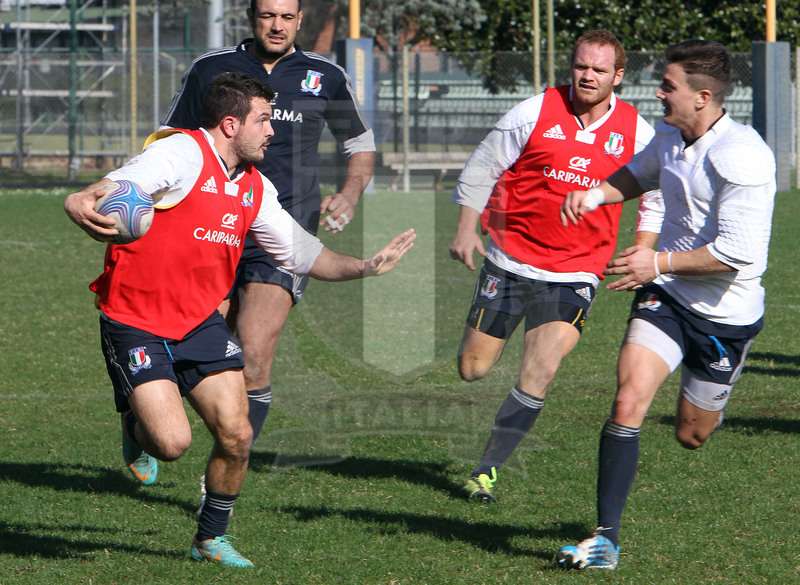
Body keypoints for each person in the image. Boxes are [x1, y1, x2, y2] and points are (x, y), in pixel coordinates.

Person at [64, 72, 414, 568]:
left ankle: (209, 538)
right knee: (171, 443)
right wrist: (82, 196)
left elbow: (302, 253)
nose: (273, 131)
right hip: (135, 318)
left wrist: (363, 267)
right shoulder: (181, 154)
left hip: (200, 323)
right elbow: (125, 183)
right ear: (230, 125)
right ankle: (137, 423)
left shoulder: (254, 187)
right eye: (264, 120)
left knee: (238, 434)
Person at [557, 39, 775, 570]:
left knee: (691, 434)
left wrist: (654, 263)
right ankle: (606, 540)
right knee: (628, 401)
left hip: (725, 313)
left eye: (668, 86)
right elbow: (640, 173)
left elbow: (737, 255)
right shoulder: (671, 136)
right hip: (669, 295)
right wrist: (597, 194)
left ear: (703, 96)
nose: (658, 93)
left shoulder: (742, 154)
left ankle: (711, 401)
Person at [448, 29, 657, 503]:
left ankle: (486, 471)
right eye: (581, 66)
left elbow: (658, 193)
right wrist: (466, 230)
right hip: (508, 258)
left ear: (618, 77)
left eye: (599, 70)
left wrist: (644, 247)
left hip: (576, 270)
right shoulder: (533, 111)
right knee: (473, 368)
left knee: (539, 369)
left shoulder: (637, 132)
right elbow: (482, 167)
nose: (588, 76)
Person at [161, 0, 375, 447]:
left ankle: (227, 465)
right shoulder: (211, 69)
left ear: (300, 20)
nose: (276, 26)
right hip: (212, 222)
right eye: (267, 16)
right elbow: (174, 139)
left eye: (286, 17)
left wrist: (350, 192)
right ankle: (146, 417)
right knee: (193, 346)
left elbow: (358, 141)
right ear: (251, 17)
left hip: (285, 226)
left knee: (255, 356)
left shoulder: (326, 76)